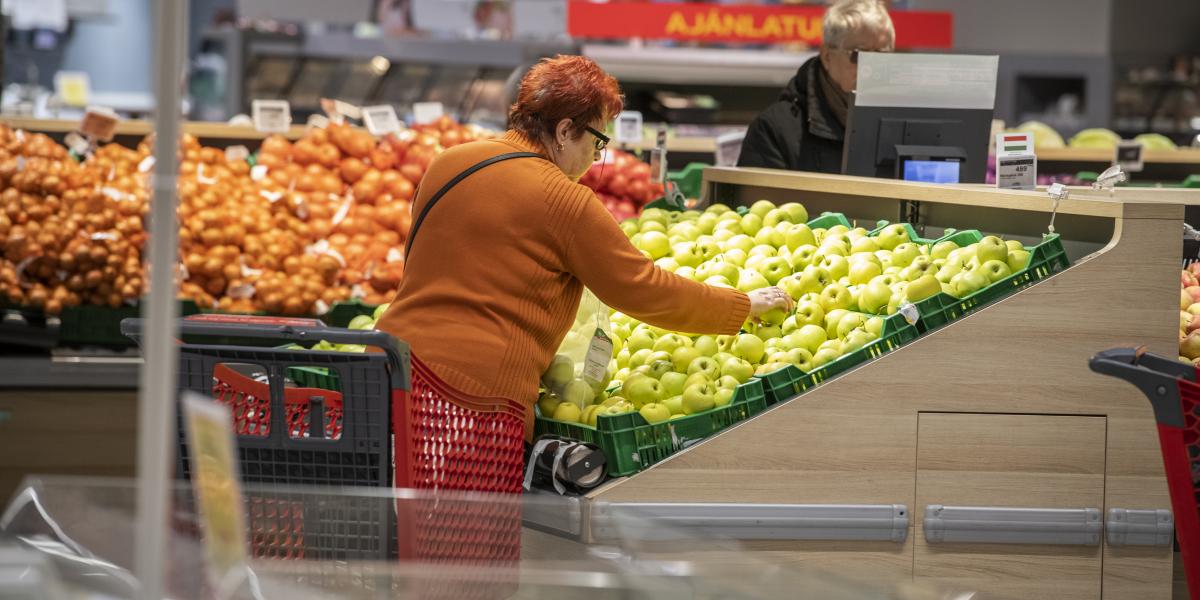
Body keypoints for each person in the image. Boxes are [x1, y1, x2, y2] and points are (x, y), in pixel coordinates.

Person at [376, 55, 792, 444]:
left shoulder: (448, 162)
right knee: (461, 521)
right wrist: (742, 306)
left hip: (386, 370)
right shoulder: (564, 201)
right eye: (596, 141)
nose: (596, 157)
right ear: (563, 131)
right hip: (474, 401)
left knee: (387, 515)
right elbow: (643, 289)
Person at [737, 0, 895, 172]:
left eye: (881, 56)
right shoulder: (773, 130)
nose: (870, 68)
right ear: (827, 56)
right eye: (858, 55)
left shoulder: (904, 122)